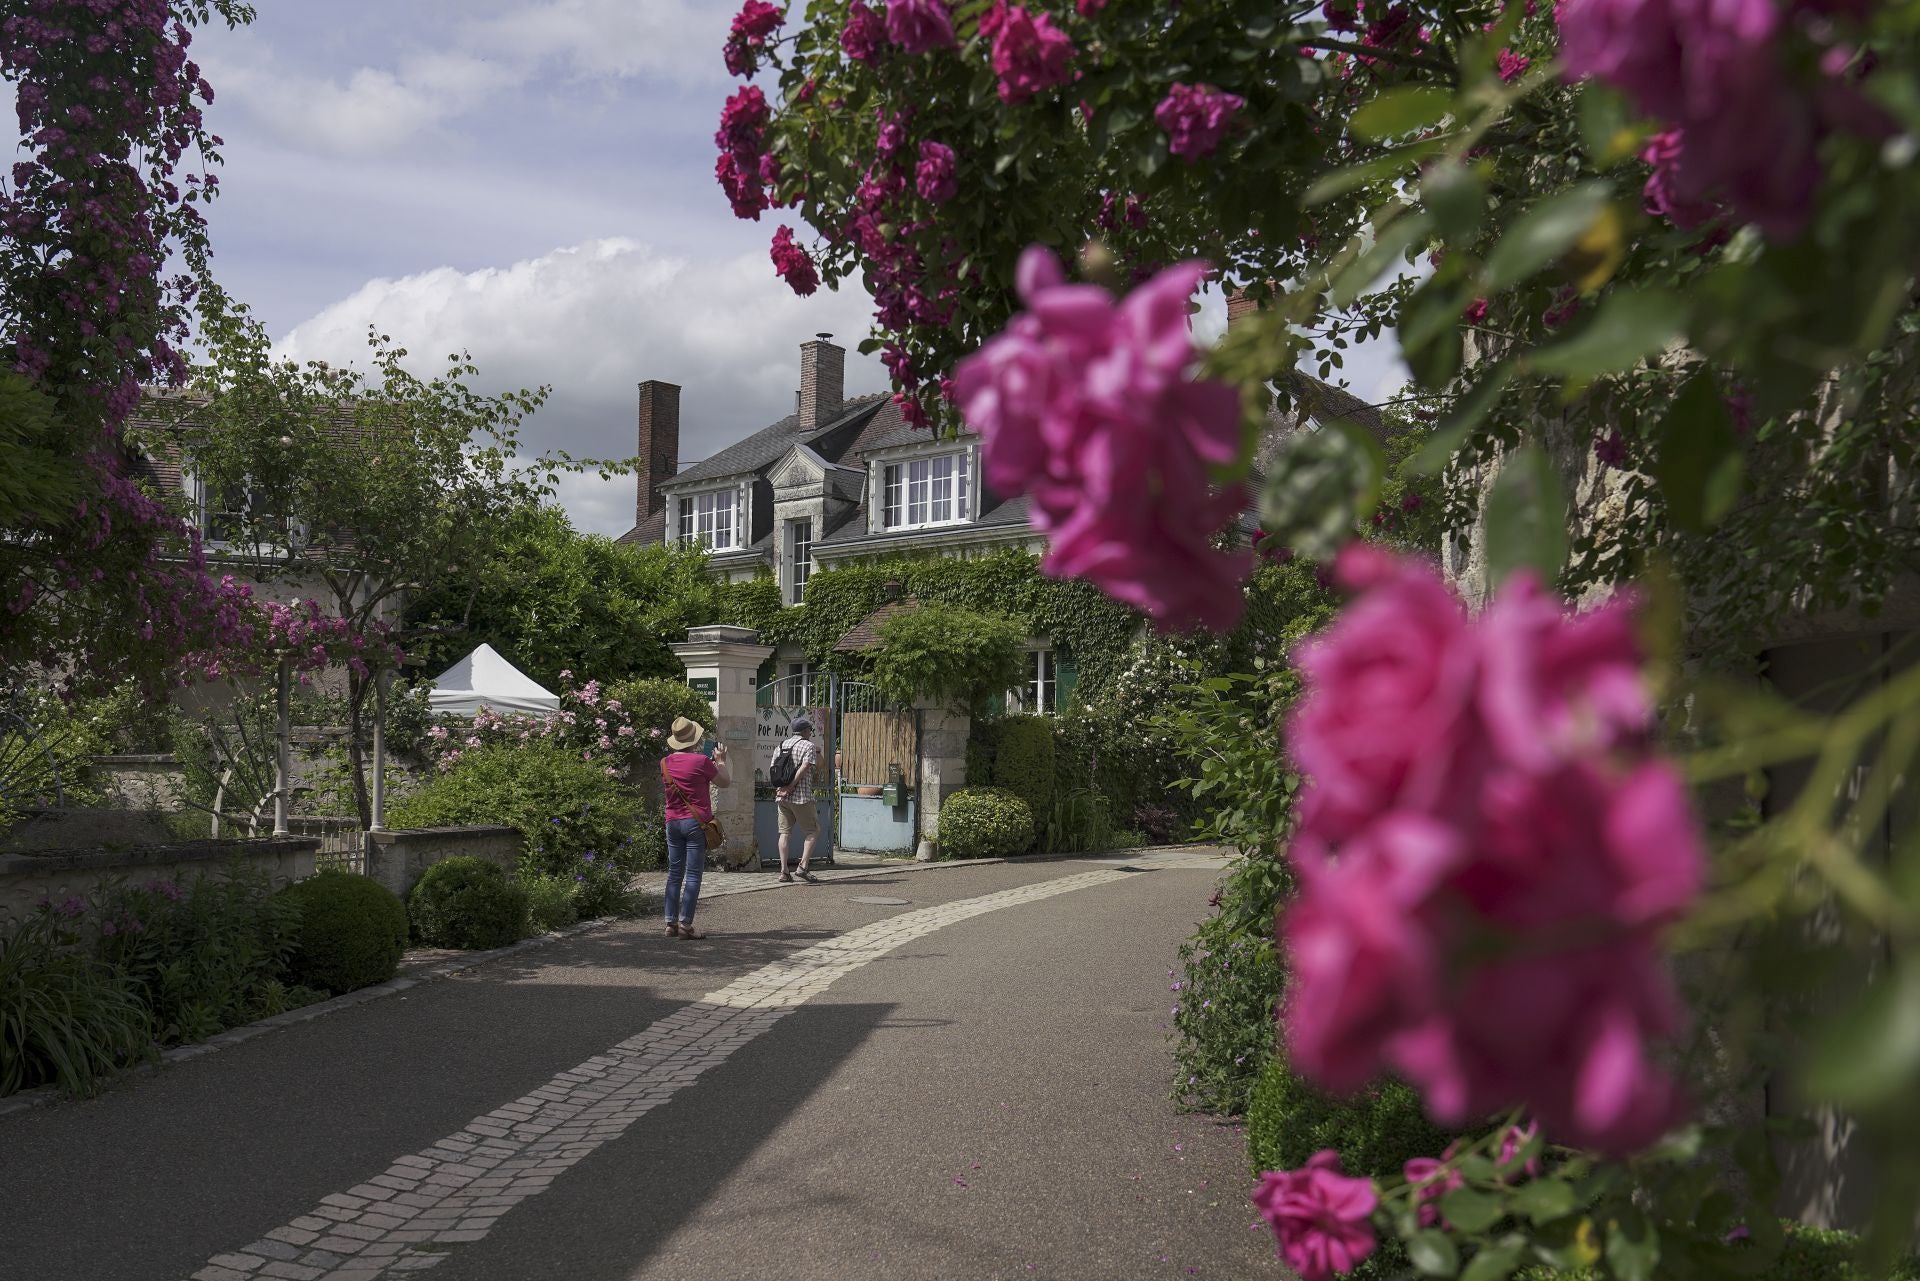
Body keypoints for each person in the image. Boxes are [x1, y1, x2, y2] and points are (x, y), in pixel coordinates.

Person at [660, 715, 729, 939]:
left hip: (672, 822)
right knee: (693, 875)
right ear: (694, 739)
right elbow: (725, 782)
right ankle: (686, 925)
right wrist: (720, 761)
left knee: (674, 873)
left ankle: (670, 923)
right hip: (696, 823)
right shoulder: (702, 761)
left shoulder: (665, 763)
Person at [774, 716, 821, 884]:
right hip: (801, 796)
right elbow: (806, 766)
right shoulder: (808, 746)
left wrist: (783, 789)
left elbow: (773, 769)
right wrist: (792, 786)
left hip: (782, 797)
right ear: (805, 731)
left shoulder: (781, 745)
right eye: (810, 730)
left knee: (784, 833)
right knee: (812, 831)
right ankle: (803, 866)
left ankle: (784, 872)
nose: (810, 732)